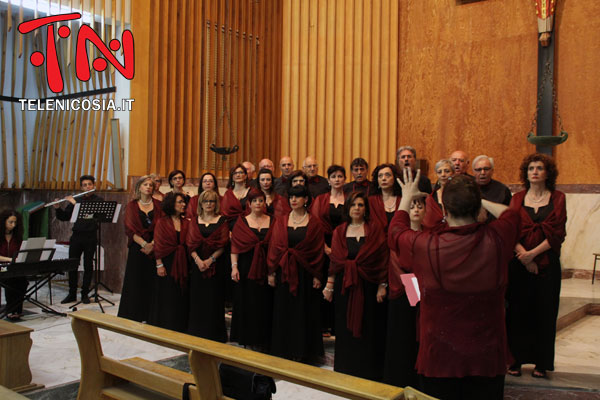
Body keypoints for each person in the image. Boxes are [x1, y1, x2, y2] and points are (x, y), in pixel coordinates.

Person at [389, 171, 520, 400]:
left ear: (444, 210)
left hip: (440, 355)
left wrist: (406, 198)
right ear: (479, 208)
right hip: (486, 355)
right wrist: (480, 200)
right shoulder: (497, 239)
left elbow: (396, 231)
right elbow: (513, 214)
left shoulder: (427, 245)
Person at [506, 153, 566, 379]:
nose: (535, 171)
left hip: (547, 264)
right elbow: (510, 228)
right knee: (518, 313)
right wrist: (524, 256)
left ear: (547, 173)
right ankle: (516, 361)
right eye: (531, 168)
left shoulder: (558, 197)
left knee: (545, 313)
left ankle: (541, 362)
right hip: (519, 265)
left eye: (540, 168)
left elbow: (558, 232)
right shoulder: (517, 198)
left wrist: (532, 255)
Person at [324, 192, 388, 381]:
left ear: (366, 209)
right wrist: (329, 286)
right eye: (353, 205)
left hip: (369, 286)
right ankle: (346, 369)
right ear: (347, 208)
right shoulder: (339, 231)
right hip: (346, 287)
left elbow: (383, 259)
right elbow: (335, 261)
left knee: (369, 327)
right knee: (345, 328)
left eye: (360, 205)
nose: (357, 209)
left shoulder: (374, 230)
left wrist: (382, 285)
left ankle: (368, 371)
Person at [267, 185, 325, 362]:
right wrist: (271, 272)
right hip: (284, 271)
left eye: (298, 197)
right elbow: (274, 247)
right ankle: (283, 350)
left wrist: (317, 274)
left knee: (304, 312)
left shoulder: (314, 222)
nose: (293, 200)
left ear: (306, 199)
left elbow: (317, 250)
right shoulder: (281, 220)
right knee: (284, 311)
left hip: (306, 273)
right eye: (291, 197)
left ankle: (304, 352)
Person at [383, 198, 424, 388]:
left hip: (425, 297)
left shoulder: (431, 235)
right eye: (411, 206)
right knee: (402, 339)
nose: (415, 210)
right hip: (402, 293)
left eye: (419, 206)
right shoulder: (399, 234)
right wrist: (414, 291)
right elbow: (397, 263)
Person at [230, 189, 274, 350]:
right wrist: (234, 267)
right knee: (247, 302)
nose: (258, 204)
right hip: (246, 267)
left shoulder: (273, 221)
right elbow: (235, 246)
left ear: (265, 203)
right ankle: (247, 338)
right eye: (254, 201)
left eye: (261, 201)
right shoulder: (241, 221)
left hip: (267, 267)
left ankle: (263, 339)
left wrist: (273, 270)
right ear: (249, 204)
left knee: (265, 304)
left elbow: (277, 246)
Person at [118, 175, 163, 322]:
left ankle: (149, 315)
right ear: (139, 187)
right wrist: (144, 244)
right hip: (138, 248)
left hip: (155, 247)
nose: (149, 187)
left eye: (151, 185)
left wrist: (153, 244)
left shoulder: (158, 205)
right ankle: (134, 314)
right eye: (145, 184)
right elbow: (130, 229)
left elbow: (162, 227)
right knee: (136, 281)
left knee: (152, 282)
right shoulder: (132, 205)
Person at [186, 190, 229, 342]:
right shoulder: (194, 220)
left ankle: (214, 334)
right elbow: (190, 243)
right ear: (201, 204)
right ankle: (196, 332)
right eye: (206, 201)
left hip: (215, 266)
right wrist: (198, 260)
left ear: (216, 203)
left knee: (214, 300)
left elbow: (223, 244)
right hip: (197, 267)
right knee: (198, 299)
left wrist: (210, 260)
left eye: (212, 201)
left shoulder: (222, 220)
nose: (209, 204)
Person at [54, 175, 103, 304]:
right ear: (81, 187)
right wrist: (58, 208)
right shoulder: (77, 199)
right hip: (77, 236)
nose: (88, 187)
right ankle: (71, 294)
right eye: (85, 185)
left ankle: (85, 294)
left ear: (93, 185)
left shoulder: (98, 201)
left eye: (90, 184)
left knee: (88, 265)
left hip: (90, 236)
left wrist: (76, 204)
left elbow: (90, 214)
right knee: (72, 265)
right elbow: (64, 217)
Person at [310, 165, 347, 336]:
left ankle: (337, 325)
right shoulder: (321, 199)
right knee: (324, 283)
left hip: (344, 247)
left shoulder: (350, 198)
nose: (337, 179)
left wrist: (339, 249)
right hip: (324, 247)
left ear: (344, 179)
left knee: (341, 285)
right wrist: (325, 247)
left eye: (340, 176)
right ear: (329, 180)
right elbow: (315, 225)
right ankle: (324, 325)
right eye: (334, 176)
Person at [150, 193, 190, 333]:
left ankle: (179, 324)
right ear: (172, 204)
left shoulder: (187, 222)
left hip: (182, 262)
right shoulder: (162, 222)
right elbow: (158, 245)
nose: (183, 204)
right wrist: (159, 264)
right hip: (166, 261)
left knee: (180, 293)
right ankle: (165, 324)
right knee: (167, 294)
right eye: (180, 202)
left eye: (184, 202)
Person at [0, 210, 26, 320]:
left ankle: (17, 309)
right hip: (2, 265)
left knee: (22, 281)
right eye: (10, 222)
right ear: (3, 222)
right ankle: (11, 309)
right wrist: (11, 259)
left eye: (15, 223)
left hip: (13, 266)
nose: (13, 225)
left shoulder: (17, 237)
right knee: (10, 281)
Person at [472, 155, 512, 222]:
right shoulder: (467, 189)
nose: (482, 173)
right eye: (478, 170)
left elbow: (509, 215)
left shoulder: (503, 190)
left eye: (486, 169)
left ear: (492, 171)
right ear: (473, 171)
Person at [423, 159, 454, 231]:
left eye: (447, 171)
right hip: (435, 234)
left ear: (453, 173)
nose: (443, 175)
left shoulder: (459, 194)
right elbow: (428, 222)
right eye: (439, 172)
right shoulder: (431, 198)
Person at [368, 163, 402, 229]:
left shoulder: (402, 200)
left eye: (387, 175)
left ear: (395, 178)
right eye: (380, 176)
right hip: (377, 238)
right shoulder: (371, 201)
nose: (383, 178)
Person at [221, 164, 251, 229]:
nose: (238, 175)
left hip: (249, 226)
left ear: (245, 176)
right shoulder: (228, 194)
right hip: (231, 228)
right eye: (235, 173)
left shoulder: (252, 192)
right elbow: (224, 214)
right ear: (232, 177)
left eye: (240, 172)